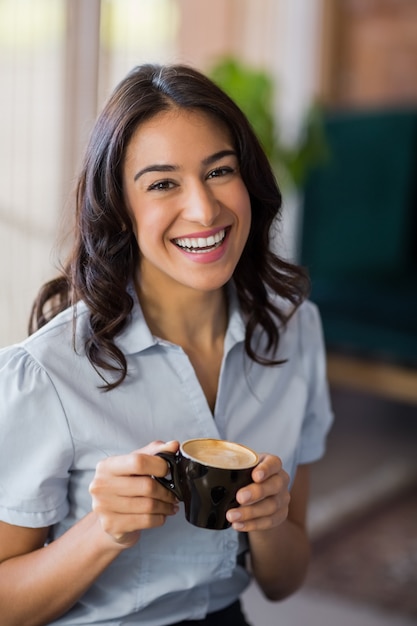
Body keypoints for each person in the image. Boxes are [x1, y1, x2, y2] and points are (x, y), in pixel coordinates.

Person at [0, 63, 333, 626]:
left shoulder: (296, 331)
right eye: (162, 183)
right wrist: (103, 531)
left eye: (219, 171)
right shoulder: (47, 372)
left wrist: (271, 521)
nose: (204, 210)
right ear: (121, 211)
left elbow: (284, 583)